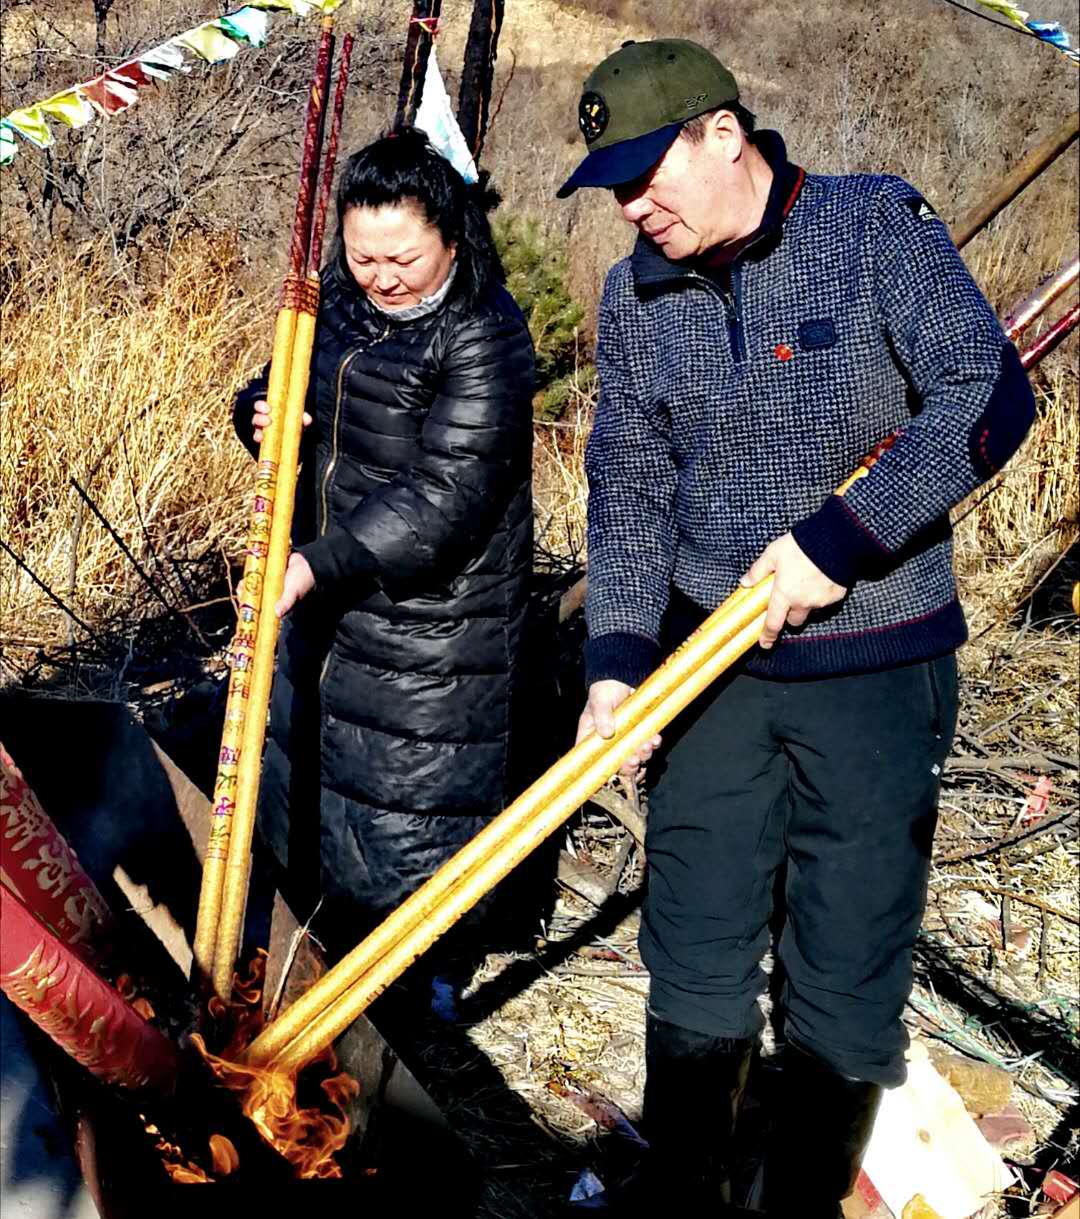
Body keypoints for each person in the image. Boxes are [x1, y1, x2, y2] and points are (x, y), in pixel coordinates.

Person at [560, 39, 1036, 1217]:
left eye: (645, 174)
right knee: (696, 942)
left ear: (723, 135)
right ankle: (683, 1190)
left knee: (844, 961)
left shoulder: (872, 230)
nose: (632, 206)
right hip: (706, 667)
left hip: (877, 665)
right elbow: (628, 480)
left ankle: (801, 1197)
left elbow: (988, 395)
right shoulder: (636, 290)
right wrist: (618, 663)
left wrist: (845, 538)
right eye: (611, 185)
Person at [233, 127, 536, 974]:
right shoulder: (336, 298)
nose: (380, 277)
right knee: (310, 801)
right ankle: (311, 961)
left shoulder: (484, 334)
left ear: (451, 234)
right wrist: (262, 416)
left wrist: (315, 563)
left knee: (406, 821)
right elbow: (273, 384)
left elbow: (448, 496)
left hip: (430, 629)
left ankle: (420, 990)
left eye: (401, 257)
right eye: (363, 255)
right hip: (325, 598)